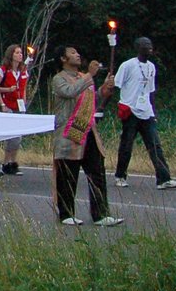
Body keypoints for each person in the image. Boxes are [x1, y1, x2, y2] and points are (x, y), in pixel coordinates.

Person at [50, 45, 122, 226]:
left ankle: (101, 214)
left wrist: (105, 88)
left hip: (88, 131)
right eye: (72, 53)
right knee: (68, 175)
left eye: (77, 52)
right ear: (63, 59)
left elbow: (93, 99)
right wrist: (90, 75)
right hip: (69, 134)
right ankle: (66, 214)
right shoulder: (59, 79)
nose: (77, 55)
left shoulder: (83, 78)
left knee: (97, 172)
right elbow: (69, 92)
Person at [111, 37, 176, 190]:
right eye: (145, 45)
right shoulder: (128, 65)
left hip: (146, 111)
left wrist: (153, 112)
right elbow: (115, 85)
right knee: (127, 145)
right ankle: (120, 176)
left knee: (155, 145)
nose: (149, 47)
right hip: (130, 110)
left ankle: (164, 179)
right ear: (138, 47)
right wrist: (105, 106)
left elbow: (151, 91)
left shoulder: (151, 67)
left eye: (150, 44)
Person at [0, 44, 28, 176]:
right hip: (8, 105)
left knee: (18, 136)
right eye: (17, 53)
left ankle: (13, 162)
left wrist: (24, 103)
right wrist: (3, 101)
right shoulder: (3, 70)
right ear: (11, 55)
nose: (20, 55)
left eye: (21, 53)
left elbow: (24, 89)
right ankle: (6, 162)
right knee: (11, 136)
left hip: (19, 106)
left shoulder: (24, 71)